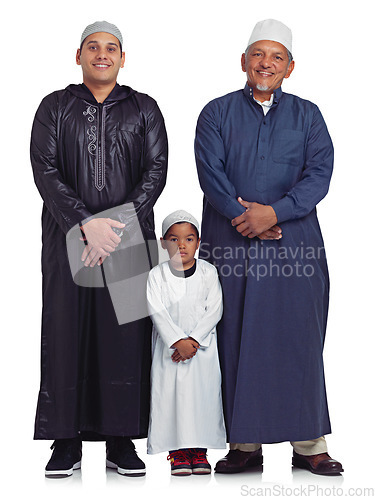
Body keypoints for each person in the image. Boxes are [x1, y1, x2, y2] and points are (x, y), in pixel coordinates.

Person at [194, 19, 343, 475]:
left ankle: (308, 444)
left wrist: (274, 213)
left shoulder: (308, 116)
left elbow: (320, 173)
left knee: (297, 339)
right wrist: (246, 217)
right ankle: (244, 444)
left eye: (277, 57)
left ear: (290, 67)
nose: (266, 63)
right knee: (233, 335)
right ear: (243, 61)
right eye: (258, 54)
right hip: (230, 243)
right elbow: (210, 171)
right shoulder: (216, 113)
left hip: (292, 245)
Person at [30, 21, 168, 477]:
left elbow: (156, 169)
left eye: (111, 48)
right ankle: (65, 441)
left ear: (123, 59)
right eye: (93, 47)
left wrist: (118, 226)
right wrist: (86, 225)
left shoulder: (144, 108)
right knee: (67, 330)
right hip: (68, 236)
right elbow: (46, 170)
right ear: (79, 56)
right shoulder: (55, 107)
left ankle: (120, 438)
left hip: (128, 238)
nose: (102, 54)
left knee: (123, 336)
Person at [146, 210, 226, 475]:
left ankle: (199, 450)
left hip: (201, 350)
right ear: (162, 242)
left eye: (188, 239)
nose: (181, 245)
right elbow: (156, 309)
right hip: (170, 352)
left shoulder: (208, 272)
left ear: (198, 242)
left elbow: (214, 309)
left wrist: (192, 340)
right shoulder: (157, 275)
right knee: (171, 399)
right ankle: (177, 452)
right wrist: (176, 340)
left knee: (201, 398)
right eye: (173, 239)